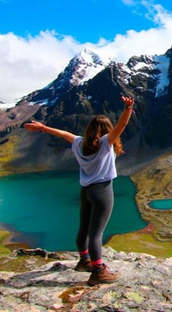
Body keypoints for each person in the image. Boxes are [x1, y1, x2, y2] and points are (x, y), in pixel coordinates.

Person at [24, 95, 135, 286]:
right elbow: (121, 127)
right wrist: (128, 108)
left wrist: (43, 128)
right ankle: (98, 271)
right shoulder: (106, 144)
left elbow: (62, 133)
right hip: (102, 191)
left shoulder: (78, 143)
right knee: (97, 234)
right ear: (107, 131)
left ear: (90, 129)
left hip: (86, 191)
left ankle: (84, 261)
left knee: (84, 228)